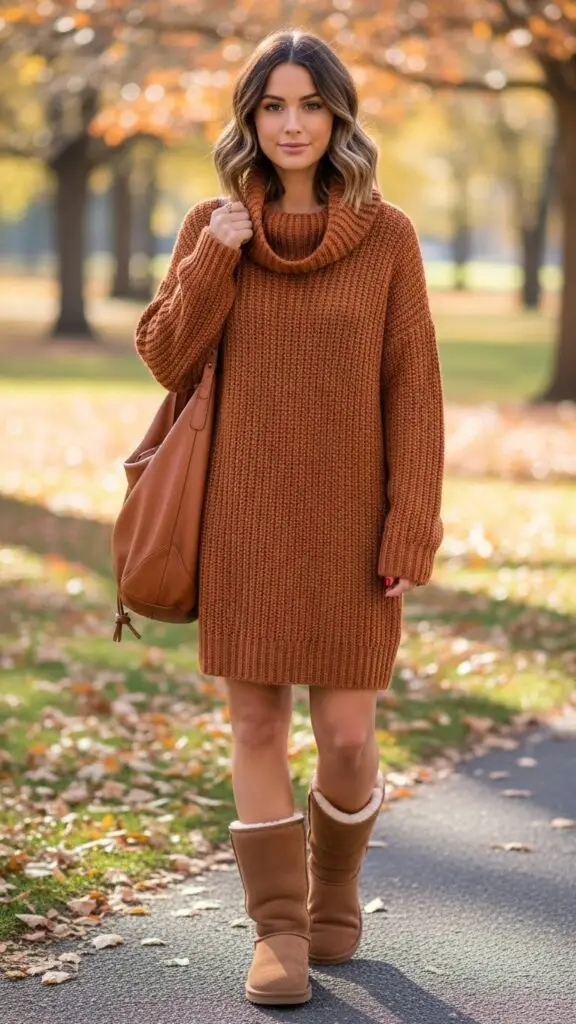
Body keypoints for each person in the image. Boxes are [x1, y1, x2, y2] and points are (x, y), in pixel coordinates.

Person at [134, 28, 445, 1008]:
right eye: (273, 105)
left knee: (348, 735)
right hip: (244, 519)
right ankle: (278, 932)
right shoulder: (212, 225)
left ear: (339, 115)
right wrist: (211, 262)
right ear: (250, 119)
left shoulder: (387, 237)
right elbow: (165, 359)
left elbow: (416, 391)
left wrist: (410, 528)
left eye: (310, 104)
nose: (293, 123)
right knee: (257, 721)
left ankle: (335, 888)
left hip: (353, 528)